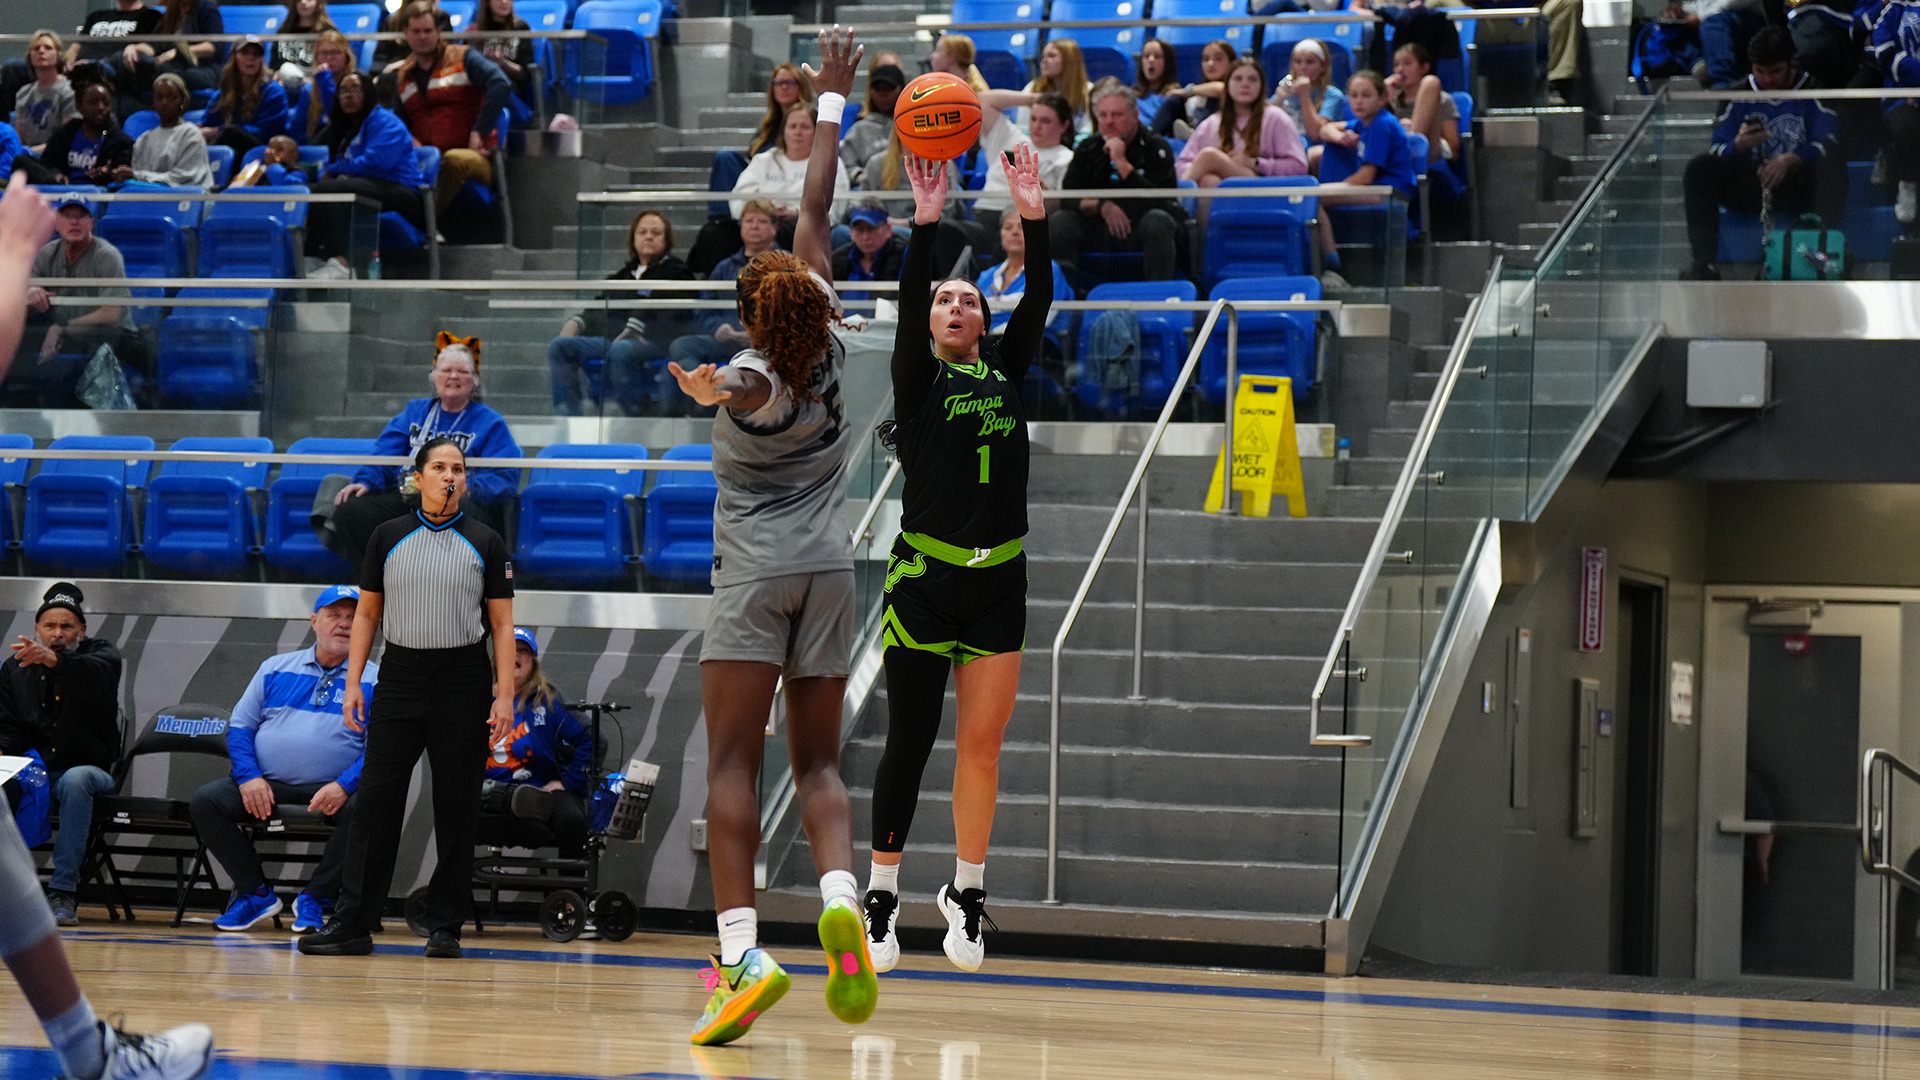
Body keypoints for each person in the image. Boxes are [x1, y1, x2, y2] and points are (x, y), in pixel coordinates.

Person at [664, 26, 877, 1046]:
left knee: (731, 770)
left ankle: (741, 954)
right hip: (832, 575)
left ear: (751, 309)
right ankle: (840, 897)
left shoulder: (755, 376)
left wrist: (716, 383)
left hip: (754, 581)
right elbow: (818, 201)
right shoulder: (828, 325)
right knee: (821, 768)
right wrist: (834, 106)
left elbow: (748, 384)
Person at [864, 141, 1051, 976]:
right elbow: (908, 301)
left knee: (982, 748)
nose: (951, 308)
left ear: (983, 321)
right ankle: (883, 890)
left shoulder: (1008, 370)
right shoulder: (919, 380)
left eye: (966, 302)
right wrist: (927, 226)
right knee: (910, 739)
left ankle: (966, 892)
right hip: (924, 581)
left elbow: (1038, 295)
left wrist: (1033, 213)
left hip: (999, 580)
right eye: (943, 300)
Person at [298, 438, 516, 960]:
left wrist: (503, 695)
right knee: (375, 802)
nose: (449, 475)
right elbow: (367, 616)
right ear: (418, 478)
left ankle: (446, 926)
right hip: (398, 675)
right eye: (439, 467)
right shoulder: (386, 536)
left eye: (457, 468)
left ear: (464, 481)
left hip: (463, 679)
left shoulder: (486, 541)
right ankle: (353, 921)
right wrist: (354, 683)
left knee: (456, 806)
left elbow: (503, 626)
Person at [187, 585, 376, 934]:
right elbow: (241, 728)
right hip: (267, 785)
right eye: (335, 616)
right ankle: (256, 894)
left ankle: (316, 898)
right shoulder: (274, 668)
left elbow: (380, 749)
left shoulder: (375, 678)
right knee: (206, 802)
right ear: (314, 620)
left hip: (333, 790)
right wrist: (249, 778)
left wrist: (343, 785)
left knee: (370, 804)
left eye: (353, 617)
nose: (344, 624)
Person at [326, 339, 523, 569]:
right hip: (410, 493)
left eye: (462, 371)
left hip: (458, 500)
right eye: (446, 370)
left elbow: (506, 478)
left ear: (474, 381)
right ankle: (376, 585)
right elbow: (385, 454)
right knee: (353, 509)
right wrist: (365, 481)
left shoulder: (490, 422)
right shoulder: (415, 411)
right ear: (434, 376)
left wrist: (466, 486)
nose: (453, 376)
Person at [0, 583, 122, 928]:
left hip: (88, 769)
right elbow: (8, 724)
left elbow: (94, 678)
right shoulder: (15, 667)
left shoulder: (102, 656)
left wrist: (54, 661)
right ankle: (7, 893)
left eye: (66, 626)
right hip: (33, 768)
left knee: (77, 779)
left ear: (81, 630)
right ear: (37, 628)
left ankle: (62, 891)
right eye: (49, 626)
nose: (57, 633)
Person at [1683, 28, 1840, 279]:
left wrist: (1794, 159)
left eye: (1776, 71)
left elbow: (1829, 140)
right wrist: (1738, 146)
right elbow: (1717, 147)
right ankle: (1705, 265)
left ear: (1791, 65)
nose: (1767, 80)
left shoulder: (1814, 90)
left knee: (1832, 164)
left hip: (1796, 183)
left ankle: (1819, 251)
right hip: (1752, 182)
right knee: (1699, 168)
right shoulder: (1738, 94)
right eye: (1760, 71)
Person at [548, 208, 695, 416]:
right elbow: (599, 308)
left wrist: (636, 327)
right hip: (612, 340)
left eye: (656, 232)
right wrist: (577, 321)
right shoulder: (622, 276)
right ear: (633, 239)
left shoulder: (678, 272)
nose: (648, 237)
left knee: (622, 349)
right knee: (560, 346)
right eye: (642, 232)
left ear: (666, 239)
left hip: (654, 342)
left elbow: (672, 311)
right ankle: (569, 414)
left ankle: (632, 415)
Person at [1050, 83, 1184, 282]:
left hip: (1141, 225)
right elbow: (1068, 198)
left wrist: (1122, 164)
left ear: (1135, 116)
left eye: (1117, 115)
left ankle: (1158, 297)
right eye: (1103, 116)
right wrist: (1101, 206)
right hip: (1098, 226)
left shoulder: (1156, 146)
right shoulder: (1088, 147)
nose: (1109, 122)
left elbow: (1165, 203)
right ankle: (1063, 295)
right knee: (1060, 221)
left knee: (1158, 220)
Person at [390, 1, 511, 213]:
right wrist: (410, 139)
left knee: (454, 159)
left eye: (428, 31)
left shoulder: (463, 57)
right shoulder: (403, 75)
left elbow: (500, 83)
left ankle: (423, 222)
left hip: (473, 156)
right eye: (416, 31)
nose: (422, 37)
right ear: (406, 34)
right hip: (427, 158)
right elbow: (399, 122)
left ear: (438, 32)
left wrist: (479, 131)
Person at [480, 628, 591, 858]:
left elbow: (591, 736)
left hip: (543, 791)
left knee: (573, 820)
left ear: (533, 663)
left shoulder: (548, 701)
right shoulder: (478, 698)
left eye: (523, 651)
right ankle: (454, 889)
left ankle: (568, 891)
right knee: (453, 810)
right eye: (510, 649)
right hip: (488, 792)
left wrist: (570, 782)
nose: (516, 656)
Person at [12, 194, 133, 406]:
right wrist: (32, 293)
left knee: (59, 372)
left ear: (92, 223)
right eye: (67, 216)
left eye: (81, 216)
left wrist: (61, 328)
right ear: (56, 223)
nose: (74, 222)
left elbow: (111, 313)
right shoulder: (46, 254)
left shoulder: (106, 255)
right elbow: (26, 302)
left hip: (106, 337)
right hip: (65, 336)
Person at [303, 73, 425, 280]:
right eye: (343, 91)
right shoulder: (347, 127)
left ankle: (342, 265)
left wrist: (335, 170)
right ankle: (314, 256)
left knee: (327, 190)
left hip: (401, 192)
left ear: (368, 93)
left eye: (355, 89)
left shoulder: (386, 122)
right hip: (369, 186)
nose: (348, 96)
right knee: (308, 192)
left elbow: (377, 163)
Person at [1307, 69, 1418, 289]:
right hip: (1376, 189)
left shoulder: (1382, 124)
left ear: (1382, 98)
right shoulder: (1363, 123)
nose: (1358, 101)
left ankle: (1333, 265)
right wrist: (1341, 138)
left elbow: (1365, 178)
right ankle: (1330, 262)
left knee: (1312, 198)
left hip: (1391, 193)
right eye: (1354, 95)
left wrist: (1328, 189)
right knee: (1312, 196)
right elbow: (1325, 129)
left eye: (1366, 95)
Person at [1176, 57, 1306, 223]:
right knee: (1210, 180)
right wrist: (1219, 168)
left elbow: (1299, 166)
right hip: (1225, 195)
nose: (1245, 84)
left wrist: (1256, 163)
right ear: (1227, 85)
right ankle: (1206, 244)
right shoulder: (1213, 122)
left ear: (1261, 86)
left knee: (1209, 156)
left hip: (1264, 189)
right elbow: (1182, 165)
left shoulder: (1275, 118)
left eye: (1252, 79)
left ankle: (1177, 204)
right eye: (1238, 79)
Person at [669, 198, 784, 376]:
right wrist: (718, 327)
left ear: (774, 228)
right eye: (748, 221)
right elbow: (704, 308)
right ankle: (705, 395)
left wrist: (764, 333)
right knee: (682, 346)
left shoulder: (787, 265)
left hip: (771, 345)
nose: (754, 226)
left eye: (762, 221)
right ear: (741, 226)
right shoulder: (724, 267)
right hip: (727, 342)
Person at [973, 92, 1076, 245]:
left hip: (1023, 222)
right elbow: (982, 99)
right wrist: (1034, 99)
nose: (1036, 126)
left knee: (1011, 239)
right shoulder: (1011, 137)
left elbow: (1059, 206)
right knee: (945, 229)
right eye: (1033, 118)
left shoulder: (1067, 158)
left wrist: (1039, 187)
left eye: (1045, 121)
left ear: (1064, 125)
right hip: (986, 215)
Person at [732, 103, 849, 233]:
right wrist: (766, 212)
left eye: (805, 127)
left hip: (807, 228)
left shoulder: (829, 162)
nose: (797, 132)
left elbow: (835, 210)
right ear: (784, 131)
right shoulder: (763, 160)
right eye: (792, 126)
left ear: (817, 132)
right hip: (763, 222)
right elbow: (739, 201)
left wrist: (798, 213)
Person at [978, 203, 1072, 345]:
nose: (1014, 232)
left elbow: (1040, 319)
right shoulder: (986, 276)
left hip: (1034, 347)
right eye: (1008, 227)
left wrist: (994, 325)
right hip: (987, 343)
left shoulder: (1048, 270)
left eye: (1022, 227)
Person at [15, 82, 132, 186]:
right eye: (93, 103)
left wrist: (108, 174)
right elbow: (48, 162)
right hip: (62, 187)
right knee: (21, 160)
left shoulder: (121, 141)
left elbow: (121, 172)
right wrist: (57, 175)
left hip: (96, 193)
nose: (101, 108)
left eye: (106, 103)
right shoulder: (66, 132)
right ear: (79, 106)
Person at [116, 0, 225, 103]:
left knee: (165, 71)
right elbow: (155, 47)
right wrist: (133, 48)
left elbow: (213, 47)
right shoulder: (172, 13)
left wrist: (180, 52)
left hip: (203, 69)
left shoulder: (206, 8)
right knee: (124, 58)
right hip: (172, 65)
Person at [117, 73, 211, 187]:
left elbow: (183, 178)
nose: (165, 102)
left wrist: (138, 176)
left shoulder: (191, 134)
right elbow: (137, 182)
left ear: (182, 101)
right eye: (159, 98)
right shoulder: (144, 139)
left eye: (171, 97)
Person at [198, 37, 289, 153]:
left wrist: (218, 130)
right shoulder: (224, 93)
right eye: (245, 53)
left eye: (256, 54)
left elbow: (268, 132)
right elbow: (207, 123)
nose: (250, 58)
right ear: (234, 57)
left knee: (229, 132)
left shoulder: (273, 92)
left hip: (263, 148)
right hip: (231, 146)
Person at [1274, 39, 1350, 174]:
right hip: (1284, 147)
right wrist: (1278, 100)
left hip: (1312, 150)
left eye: (1310, 62)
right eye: (1298, 62)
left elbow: (1316, 134)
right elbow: (1260, 123)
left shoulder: (1332, 95)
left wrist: (1304, 95)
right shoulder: (1284, 90)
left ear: (1323, 66)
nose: (1303, 67)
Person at [1385, 43, 1460, 165]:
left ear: (1424, 68)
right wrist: (1383, 97)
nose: (1400, 69)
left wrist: (1414, 127)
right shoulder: (1392, 99)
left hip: (1431, 151)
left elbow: (1454, 148)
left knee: (1431, 82)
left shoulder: (1443, 99)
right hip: (1396, 148)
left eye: (1407, 63)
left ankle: (1415, 143)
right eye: (1396, 64)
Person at [1151, 38, 1236, 136]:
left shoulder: (1234, 89)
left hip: (1221, 136)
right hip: (1194, 131)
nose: (1210, 63)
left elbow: (1222, 88)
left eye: (1218, 59)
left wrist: (1187, 91)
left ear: (1231, 63)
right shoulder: (1198, 96)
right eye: (1205, 59)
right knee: (1175, 100)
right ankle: (1148, 141)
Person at [839, 60, 903, 186]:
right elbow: (846, 167)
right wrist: (863, 177)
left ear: (901, 89)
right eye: (877, 88)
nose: (883, 93)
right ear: (870, 91)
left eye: (889, 88)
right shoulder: (858, 129)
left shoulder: (912, 126)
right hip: (870, 191)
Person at [833, 199, 908, 302]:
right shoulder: (838, 259)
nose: (865, 237)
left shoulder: (905, 255)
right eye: (859, 229)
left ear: (888, 229)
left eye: (871, 229)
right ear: (851, 232)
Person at [14, 32, 77, 152]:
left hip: (55, 156)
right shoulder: (23, 93)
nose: (41, 51)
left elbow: (67, 138)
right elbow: (17, 137)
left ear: (58, 55)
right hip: (25, 156)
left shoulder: (69, 91)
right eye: (36, 48)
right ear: (30, 57)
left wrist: (31, 152)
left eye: (48, 48)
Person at [290, 29, 355, 144]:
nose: (329, 58)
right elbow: (297, 129)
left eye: (335, 52)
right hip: (315, 145)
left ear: (346, 57)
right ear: (317, 58)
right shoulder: (309, 91)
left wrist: (324, 81)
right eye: (324, 53)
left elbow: (338, 115)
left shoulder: (357, 86)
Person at [469, 0, 536, 107]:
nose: (504, 2)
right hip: (481, 84)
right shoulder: (477, 31)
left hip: (509, 88)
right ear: (487, 2)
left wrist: (503, 63)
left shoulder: (520, 28)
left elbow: (525, 73)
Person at [1019, 39, 1090, 134]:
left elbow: (1088, 130)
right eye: (1043, 56)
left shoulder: (1088, 91)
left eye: (1051, 56)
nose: (1044, 61)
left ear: (1069, 60)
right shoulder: (1032, 87)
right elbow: (1023, 128)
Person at [748, 63, 814, 156]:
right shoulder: (769, 123)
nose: (784, 87)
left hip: (796, 168)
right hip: (761, 168)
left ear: (801, 87)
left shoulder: (812, 119)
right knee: (726, 157)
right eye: (779, 83)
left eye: (790, 82)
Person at [274, 0, 338, 91]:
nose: (303, 2)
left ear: (318, 3)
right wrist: (276, 74)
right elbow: (274, 63)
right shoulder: (284, 31)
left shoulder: (328, 32)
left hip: (316, 85)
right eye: (299, 0)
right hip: (286, 85)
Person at [1134, 39, 1180, 130]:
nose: (1151, 60)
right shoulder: (1131, 95)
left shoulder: (1174, 97)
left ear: (1167, 63)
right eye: (1146, 56)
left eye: (1157, 56)